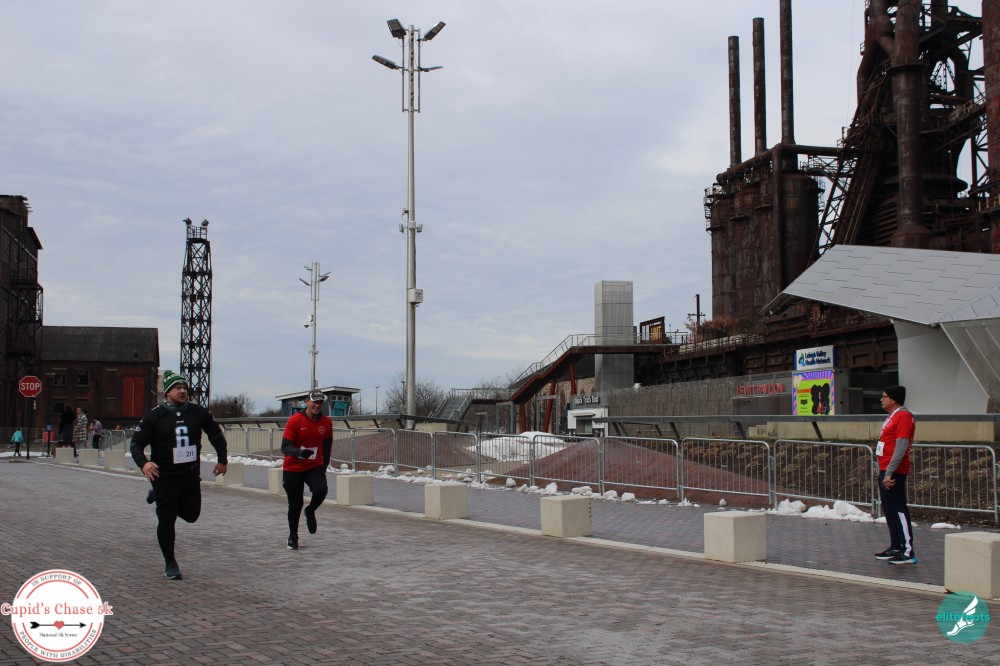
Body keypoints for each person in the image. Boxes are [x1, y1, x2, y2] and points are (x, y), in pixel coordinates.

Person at [129, 370, 228, 580]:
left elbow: (216, 435)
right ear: (168, 393)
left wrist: (222, 460)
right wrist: (144, 464)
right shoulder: (154, 416)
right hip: (164, 476)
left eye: (184, 388)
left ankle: (158, 497)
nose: (183, 391)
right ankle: (170, 563)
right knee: (167, 518)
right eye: (177, 388)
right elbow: (136, 443)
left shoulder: (198, 412)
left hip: (189, 475)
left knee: (192, 515)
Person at [280, 389, 333, 550]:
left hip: (313, 466)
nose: (317, 405)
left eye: (320, 403)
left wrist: (324, 466)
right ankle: (293, 536)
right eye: (314, 402)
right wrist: (300, 453)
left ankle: (310, 511)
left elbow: (327, 446)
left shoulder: (326, 423)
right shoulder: (295, 420)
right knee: (295, 504)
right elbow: (285, 447)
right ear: (307, 402)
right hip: (293, 467)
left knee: (321, 490)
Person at [873, 385, 917, 565]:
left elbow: (901, 446)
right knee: (889, 509)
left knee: (898, 509)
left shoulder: (903, 416)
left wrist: (889, 472)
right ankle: (895, 546)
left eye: (884, 396)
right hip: (886, 469)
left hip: (894, 471)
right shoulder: (892, 416)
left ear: (893, 399)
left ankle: (908, 551)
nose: (881, 399)